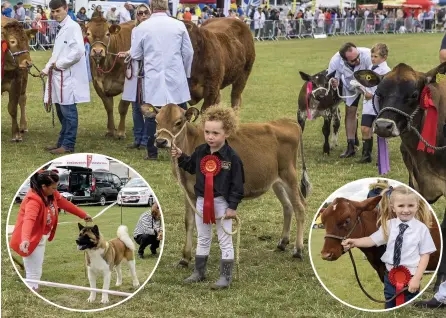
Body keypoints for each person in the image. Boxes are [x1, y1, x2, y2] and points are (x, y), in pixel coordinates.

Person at [171, 105, 245, 290]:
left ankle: (225, 276)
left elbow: (237, 185)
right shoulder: (201, 151)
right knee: (203, 237)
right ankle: (199, 271)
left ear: (226, 132)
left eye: (215, 133)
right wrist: (181, 156)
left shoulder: (232, 158)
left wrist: (232, 207)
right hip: (202, 202)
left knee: (224, 239)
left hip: (222, 204)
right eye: (207, 132)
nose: (210, 137)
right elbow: (190, 165)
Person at [342, 186, 436, 308]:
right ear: (393, 208)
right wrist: (354, 242)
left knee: (409, 309)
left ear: (417, 206)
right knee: (390, 305)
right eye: (401, 206)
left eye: (411, 206)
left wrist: (417, 278)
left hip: (411, 277)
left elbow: (425, 255)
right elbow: (371, 240)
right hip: (390, 277)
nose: (406, 210)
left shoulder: (421, 229)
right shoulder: (389, 225)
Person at [130, 0, 193, 161]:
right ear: (166, 6)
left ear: (151, 7)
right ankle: (185, 149)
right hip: (176, 76)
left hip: (154, 78)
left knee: (153, 116)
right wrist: (185, 73)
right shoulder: (178, 25)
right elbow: (188, 52)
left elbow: (136, 54)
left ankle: (152, 152)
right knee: (181, 113)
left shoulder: (142, 27)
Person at [9, 170, 92, 291]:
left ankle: (33, 287)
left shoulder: (51, 193)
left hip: (40, 236)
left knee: (37, 265)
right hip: (30, 238)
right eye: (53, 188)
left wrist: (83, 215)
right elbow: (29, 220)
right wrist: (26, 239)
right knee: (34, 270)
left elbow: (64, 203)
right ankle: (33, 290)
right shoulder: (33, 200)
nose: (56, 190)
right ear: (44, 186)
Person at [40, 0, 90, 154]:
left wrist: (59, 64)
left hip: (68, 77)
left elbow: (78, 52)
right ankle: (62, 142)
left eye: (58, 11)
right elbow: (58, 53)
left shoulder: (73, 27)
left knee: (68, 112)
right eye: (53, 12)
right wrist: (46, 68)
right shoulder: (62, 27)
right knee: (62, 111)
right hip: (59, 77)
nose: (55, 14)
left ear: (66, 9)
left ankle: (68, 145)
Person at [328, 42, 373, 158]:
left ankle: (369, 147)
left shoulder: (368, 55)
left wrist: (367, 92)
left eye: (358, 57)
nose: (357, 60)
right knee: (350, 112)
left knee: (372, 111)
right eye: (353, 60)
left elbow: (376, 75)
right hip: (350, 87)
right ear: (344, 59)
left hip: (369, 84)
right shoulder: (335, 61)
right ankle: (351, 146)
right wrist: (335, 83)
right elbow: (332, 78)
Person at [119, 4, 151, 154]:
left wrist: (130, 53)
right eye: (140, 13)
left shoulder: (153, 30)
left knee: (147, 106)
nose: (143, 15)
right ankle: (138, 138)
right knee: (135, 105)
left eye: (146, 13)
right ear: (136, 16)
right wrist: (127, 53)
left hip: (148, 71)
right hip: (136, 69)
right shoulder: (135, 30)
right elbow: (135, 49)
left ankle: (146, 139)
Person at [356, 43, 391, 164]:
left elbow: (386, 90)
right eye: (372, 56)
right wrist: (361, 87)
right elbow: (366, 83)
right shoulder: (370, 67)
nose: (372, 59)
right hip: (367, 105)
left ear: (384, 57)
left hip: (379, 106)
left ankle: (382, 157)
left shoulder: (387, 72)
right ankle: (366, 155)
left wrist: (374, 95)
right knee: (365, 128)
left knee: (380, 131)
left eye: (376, 56)